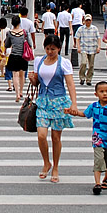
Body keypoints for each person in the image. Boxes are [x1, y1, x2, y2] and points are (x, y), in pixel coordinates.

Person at [28, 34, 81, 183]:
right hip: (43, 101)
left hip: (59, 102)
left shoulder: (64, 63)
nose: (50, 52)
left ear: (58, 48)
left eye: (53, 49)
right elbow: (36, 82)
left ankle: (55, 166)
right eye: (47, 48)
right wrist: (32, 79)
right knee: (41, 135)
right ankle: (46, 162)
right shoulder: (39, 61)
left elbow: (70, 84)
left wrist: (74, 103)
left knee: (56, 137)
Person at [5, 14, 30, 102]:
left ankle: (17, 93)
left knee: (14, 75)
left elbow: (7, 45)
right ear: (19, 22)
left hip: (14, 55)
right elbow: (30, 44)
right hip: (23, 56)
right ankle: (21, 92)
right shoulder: (25, 32)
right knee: (22, 75)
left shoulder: (10, 33)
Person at [74, 14, 100, 86]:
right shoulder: (81, 29)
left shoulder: (94, 28)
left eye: (89, 20)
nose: (88, 22)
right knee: (83, 63)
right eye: (86, 20)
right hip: (84, 48)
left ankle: (89, 79)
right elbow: (77, 38)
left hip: (92, 48)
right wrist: (78, 47)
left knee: (91, 65)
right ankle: (82, 77)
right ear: (84, 21)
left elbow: (98, 38)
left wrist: (99, 47)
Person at [0, 16, 13, 91]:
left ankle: (2, 72)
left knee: (0, 60)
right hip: (6, 45)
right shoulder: (8, 30)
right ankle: (6, 71)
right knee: (6, 59)